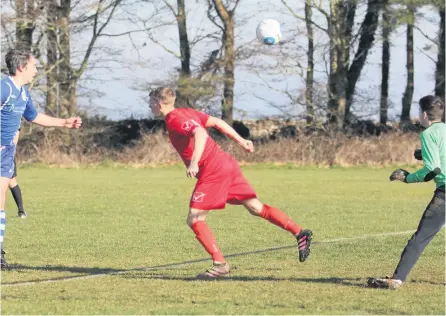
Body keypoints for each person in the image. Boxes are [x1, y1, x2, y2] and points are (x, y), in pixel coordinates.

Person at [149, 87, 313, 279]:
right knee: (256, 207)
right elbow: (217, 122)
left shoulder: (175, 119)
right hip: (226, 164)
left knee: (195, 218)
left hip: (213, 170)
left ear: (159, 105)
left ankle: (220, 264)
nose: (149, 106)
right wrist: (241, 140)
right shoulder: (186, 112)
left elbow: (200, 134)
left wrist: (194, 162)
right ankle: (300, 232)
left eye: (150, 102)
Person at [1, 48, 82, 270]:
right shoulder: (4, 88)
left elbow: (35, 117)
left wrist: (65, 122)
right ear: (21, 67)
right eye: (34, 66)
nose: (36, 71)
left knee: (0, 204)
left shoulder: (24, 93)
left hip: (6, 154)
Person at [367, 95, 445, 289]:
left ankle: (396, 279)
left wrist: (407, 178)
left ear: (425, 114)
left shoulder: (427, 134)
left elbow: (433, 170)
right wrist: (423, 155)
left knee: (421, 237)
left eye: (419, 112)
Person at [9, 129, 27, 218]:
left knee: (11, 181)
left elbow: (16, 130)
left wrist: (13, 149)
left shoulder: (11, 116)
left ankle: (21, 211)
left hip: (6, 153)